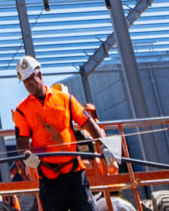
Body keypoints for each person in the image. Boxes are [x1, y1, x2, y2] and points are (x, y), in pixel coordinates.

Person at [12, 55, 115, 211]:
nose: (28, 83)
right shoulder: (22, 111)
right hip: (48, 178)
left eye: (30, 78)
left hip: (74, 173)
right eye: (25, 81)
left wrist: (105, 146)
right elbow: (21, 142)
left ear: (39, 74)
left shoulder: (65, 99)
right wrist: (26, 155)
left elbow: (87, 123)